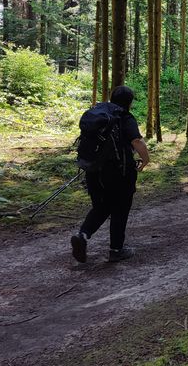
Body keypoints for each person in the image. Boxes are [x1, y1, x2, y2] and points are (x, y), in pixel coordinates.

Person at [71, 85, 150, 263]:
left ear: (111, 98)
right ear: (129, 102)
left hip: (93, 170)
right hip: (119, 172)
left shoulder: (99, 114)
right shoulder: (124, 117)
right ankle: (116, 249)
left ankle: (82, 235)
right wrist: (145, 160)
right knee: (120, 209)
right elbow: (136, 141)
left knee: (101, 206)